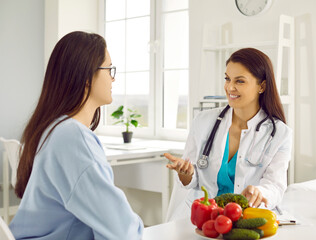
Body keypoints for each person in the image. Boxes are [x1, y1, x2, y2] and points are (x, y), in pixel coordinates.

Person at [9, 31, 143, 240]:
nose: (113, 78)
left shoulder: (53, 128)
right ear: (87, 77)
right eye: (109, 70)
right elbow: (122, 231)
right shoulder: (72, 138)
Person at [165, 48, 292, 219]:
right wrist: (185, 173)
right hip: (203, 218)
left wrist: (259, 192)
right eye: (227, 79)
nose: (230, 87)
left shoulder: (279, 134)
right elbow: (192, 180)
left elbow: (275, 186)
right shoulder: (203, 121)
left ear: (261, 86)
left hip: (245, 218)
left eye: (239, 81)